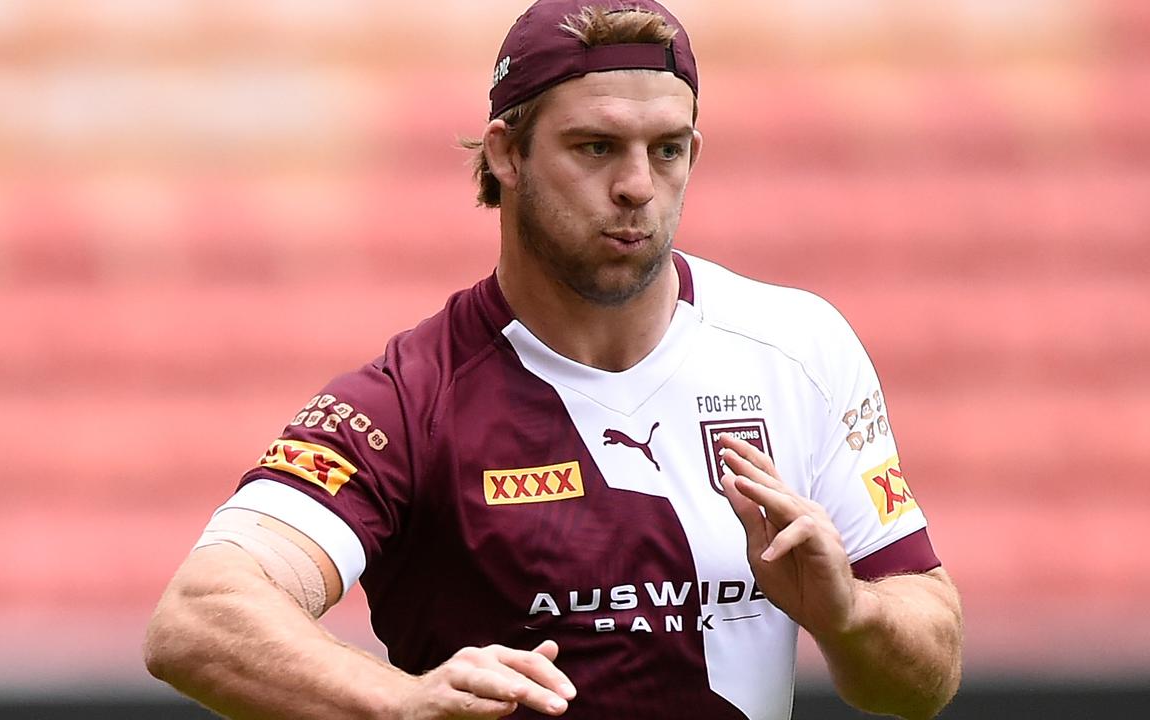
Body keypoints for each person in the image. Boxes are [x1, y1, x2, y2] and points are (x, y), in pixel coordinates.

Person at [144, 1, 964, 718]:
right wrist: (399, 702)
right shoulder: (410, 399)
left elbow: (926, 676)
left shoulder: (799, 349)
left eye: (668, 150)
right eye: (597, 147)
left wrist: (849, 613)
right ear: (506, 154)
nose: (639, 186)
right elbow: (198, 617)